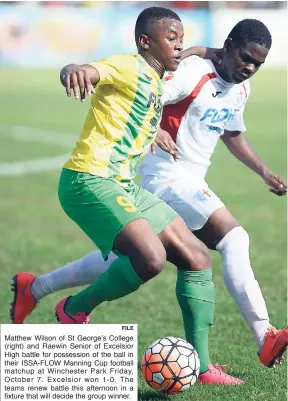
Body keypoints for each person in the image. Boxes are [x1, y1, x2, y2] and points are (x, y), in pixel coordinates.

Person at [10, 6, 243, 386]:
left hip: (122, 184)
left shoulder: (155, 79)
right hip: (89, 180)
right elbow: (88, 69)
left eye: (181, 37)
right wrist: (74, 70)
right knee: (151, 258)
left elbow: (135, 105)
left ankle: (201, 368)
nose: (179, 44)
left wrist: (153, 131)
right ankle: (73, 309)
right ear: (145, 42)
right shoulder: (130, 65)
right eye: (172, 37)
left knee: (198, 257)